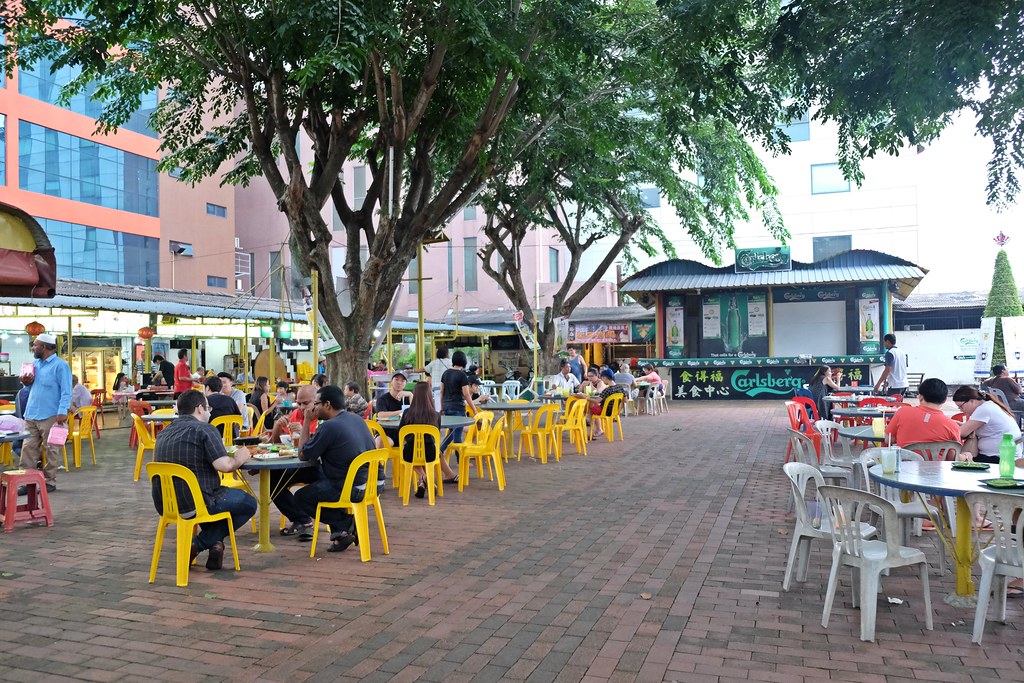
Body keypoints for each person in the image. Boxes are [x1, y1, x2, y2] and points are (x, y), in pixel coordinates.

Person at [151, 389, 256, 570]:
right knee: (248, 503)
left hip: (166, 505)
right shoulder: (205, 429)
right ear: (200, 409)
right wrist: (241, 456)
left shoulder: (164, 433)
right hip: (199, 502)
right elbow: (225, 466)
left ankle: (216, 544)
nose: (210, 411)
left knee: (214, 504)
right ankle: (199, 544)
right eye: (208, 408)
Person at [293, 385, 378, 552]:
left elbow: (303, 454)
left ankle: (346, 524)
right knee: (322, 482)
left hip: (350, 488)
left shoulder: (329, 426)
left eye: (316, 403)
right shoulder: (356, 419)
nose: (313, 408)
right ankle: (341, 533)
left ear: (327, 405)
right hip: (371, 484)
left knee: (302, 497)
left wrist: (307, 421)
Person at [19, 333, 72, 493]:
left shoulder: (60, 366)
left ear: (44, 347)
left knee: (51, 449)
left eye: (35, 345)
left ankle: (50, 481)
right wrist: (25, 384)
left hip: (51, 415)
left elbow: (66, 391)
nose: (33, 348)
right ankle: (26, 482)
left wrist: (62, 411)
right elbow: (29, 388)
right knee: (28, 448)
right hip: (31, 413)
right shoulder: (34, 364)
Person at [269, 385, 321, 537]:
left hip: (318, 466)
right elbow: (278, 445)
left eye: (306, 403)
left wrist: (305, 431)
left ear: (316, 401)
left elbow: (320, 443)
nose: (301, 407)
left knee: (305, 493)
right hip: (298, 463)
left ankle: (308, 519)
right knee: (273, 481)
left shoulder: (322, 415)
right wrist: (277, 427)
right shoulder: (296, 414)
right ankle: (302, 519)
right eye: (298, 403)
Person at [399, 381, 459, 497]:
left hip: (410, 453)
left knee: (410, 451)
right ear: (429, 395)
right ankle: (426, 478)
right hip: (430, 453)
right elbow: (435, 433)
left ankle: (422, 478)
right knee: (429, 449)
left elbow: (401, 432)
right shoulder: (435, 415)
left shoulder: (407, 413)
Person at [885, 378, 961, 449]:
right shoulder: (952, 426)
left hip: (905, 462)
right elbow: (953, 456)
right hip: (936, 463)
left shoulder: (902, 412)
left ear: (920, 397)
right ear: (944, 400)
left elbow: (888, 440)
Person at [953, 385, 1021, 463]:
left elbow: (962, 433)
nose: (961, 411)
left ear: (971, 401)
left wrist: (950, 426)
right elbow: (969, 427)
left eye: (961, 407)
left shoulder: (983, 410)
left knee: (963, 459)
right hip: (1001, 455)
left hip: (998, 457)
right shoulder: (989, 406)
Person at [439, 350, 477, 454]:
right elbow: (466, 394)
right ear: (464, 361)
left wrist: (441, 407)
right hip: (458, 407)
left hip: (447, 407)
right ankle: (460, 460)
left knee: (452, 432)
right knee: (457, 435)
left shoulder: (445, 373)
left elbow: (441, 391)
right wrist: (474, 409)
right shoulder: (462, 375)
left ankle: (439, 451)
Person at [577, 369, 628, 438]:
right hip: (615, 411)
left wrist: (585, 397)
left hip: (605, 411)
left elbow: (597, 401)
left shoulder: (607, 390)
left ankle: (597, 429)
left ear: (605, 378)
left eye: (602, 378)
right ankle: (596, 428)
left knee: (590, 406)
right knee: (593, 407)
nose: (602, 380)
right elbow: (625, 401)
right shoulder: (620, 388)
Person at [373, 372, 414, 447]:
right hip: (387, 432)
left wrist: (410, 395)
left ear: (406, 383)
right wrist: (402, 412)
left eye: (402, 381)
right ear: (391, 382)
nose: (399, 383)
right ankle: (380, 459)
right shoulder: (383, 399)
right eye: (396, 380)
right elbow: (381, 415)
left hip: (406, 432)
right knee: (381, 442)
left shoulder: (409, 397)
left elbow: (415, 412)